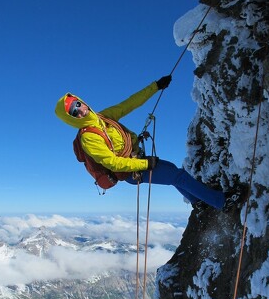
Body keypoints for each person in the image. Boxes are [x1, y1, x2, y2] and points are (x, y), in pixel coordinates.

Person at [55, 76, 247, 211]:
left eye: (77, 104)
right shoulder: (88, 137)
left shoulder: (103, 117)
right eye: (73, 112)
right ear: (71, 119)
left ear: (82, 101)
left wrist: (155, 86)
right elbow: (112, 163)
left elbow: (129, 104)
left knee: (172, 171)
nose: (80, 110)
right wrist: (146, 164)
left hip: (136, 160)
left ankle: (198, 202)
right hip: (131, 170)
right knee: (176, 175)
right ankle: (222, 202)